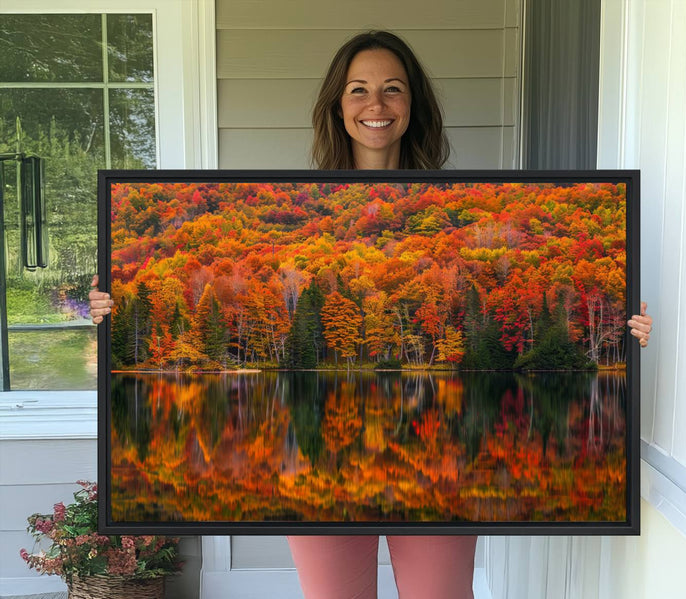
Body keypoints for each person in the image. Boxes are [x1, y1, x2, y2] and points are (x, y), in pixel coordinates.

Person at [89, 30, 653, 599]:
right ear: (338, 105)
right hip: (323, 491)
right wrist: (111, 310)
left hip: (437, 493)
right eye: (359, 90)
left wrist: (623, 335)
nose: (376, 105)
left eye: (392, 89)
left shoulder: (465, 200)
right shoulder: (299, 202)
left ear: (413, 105)